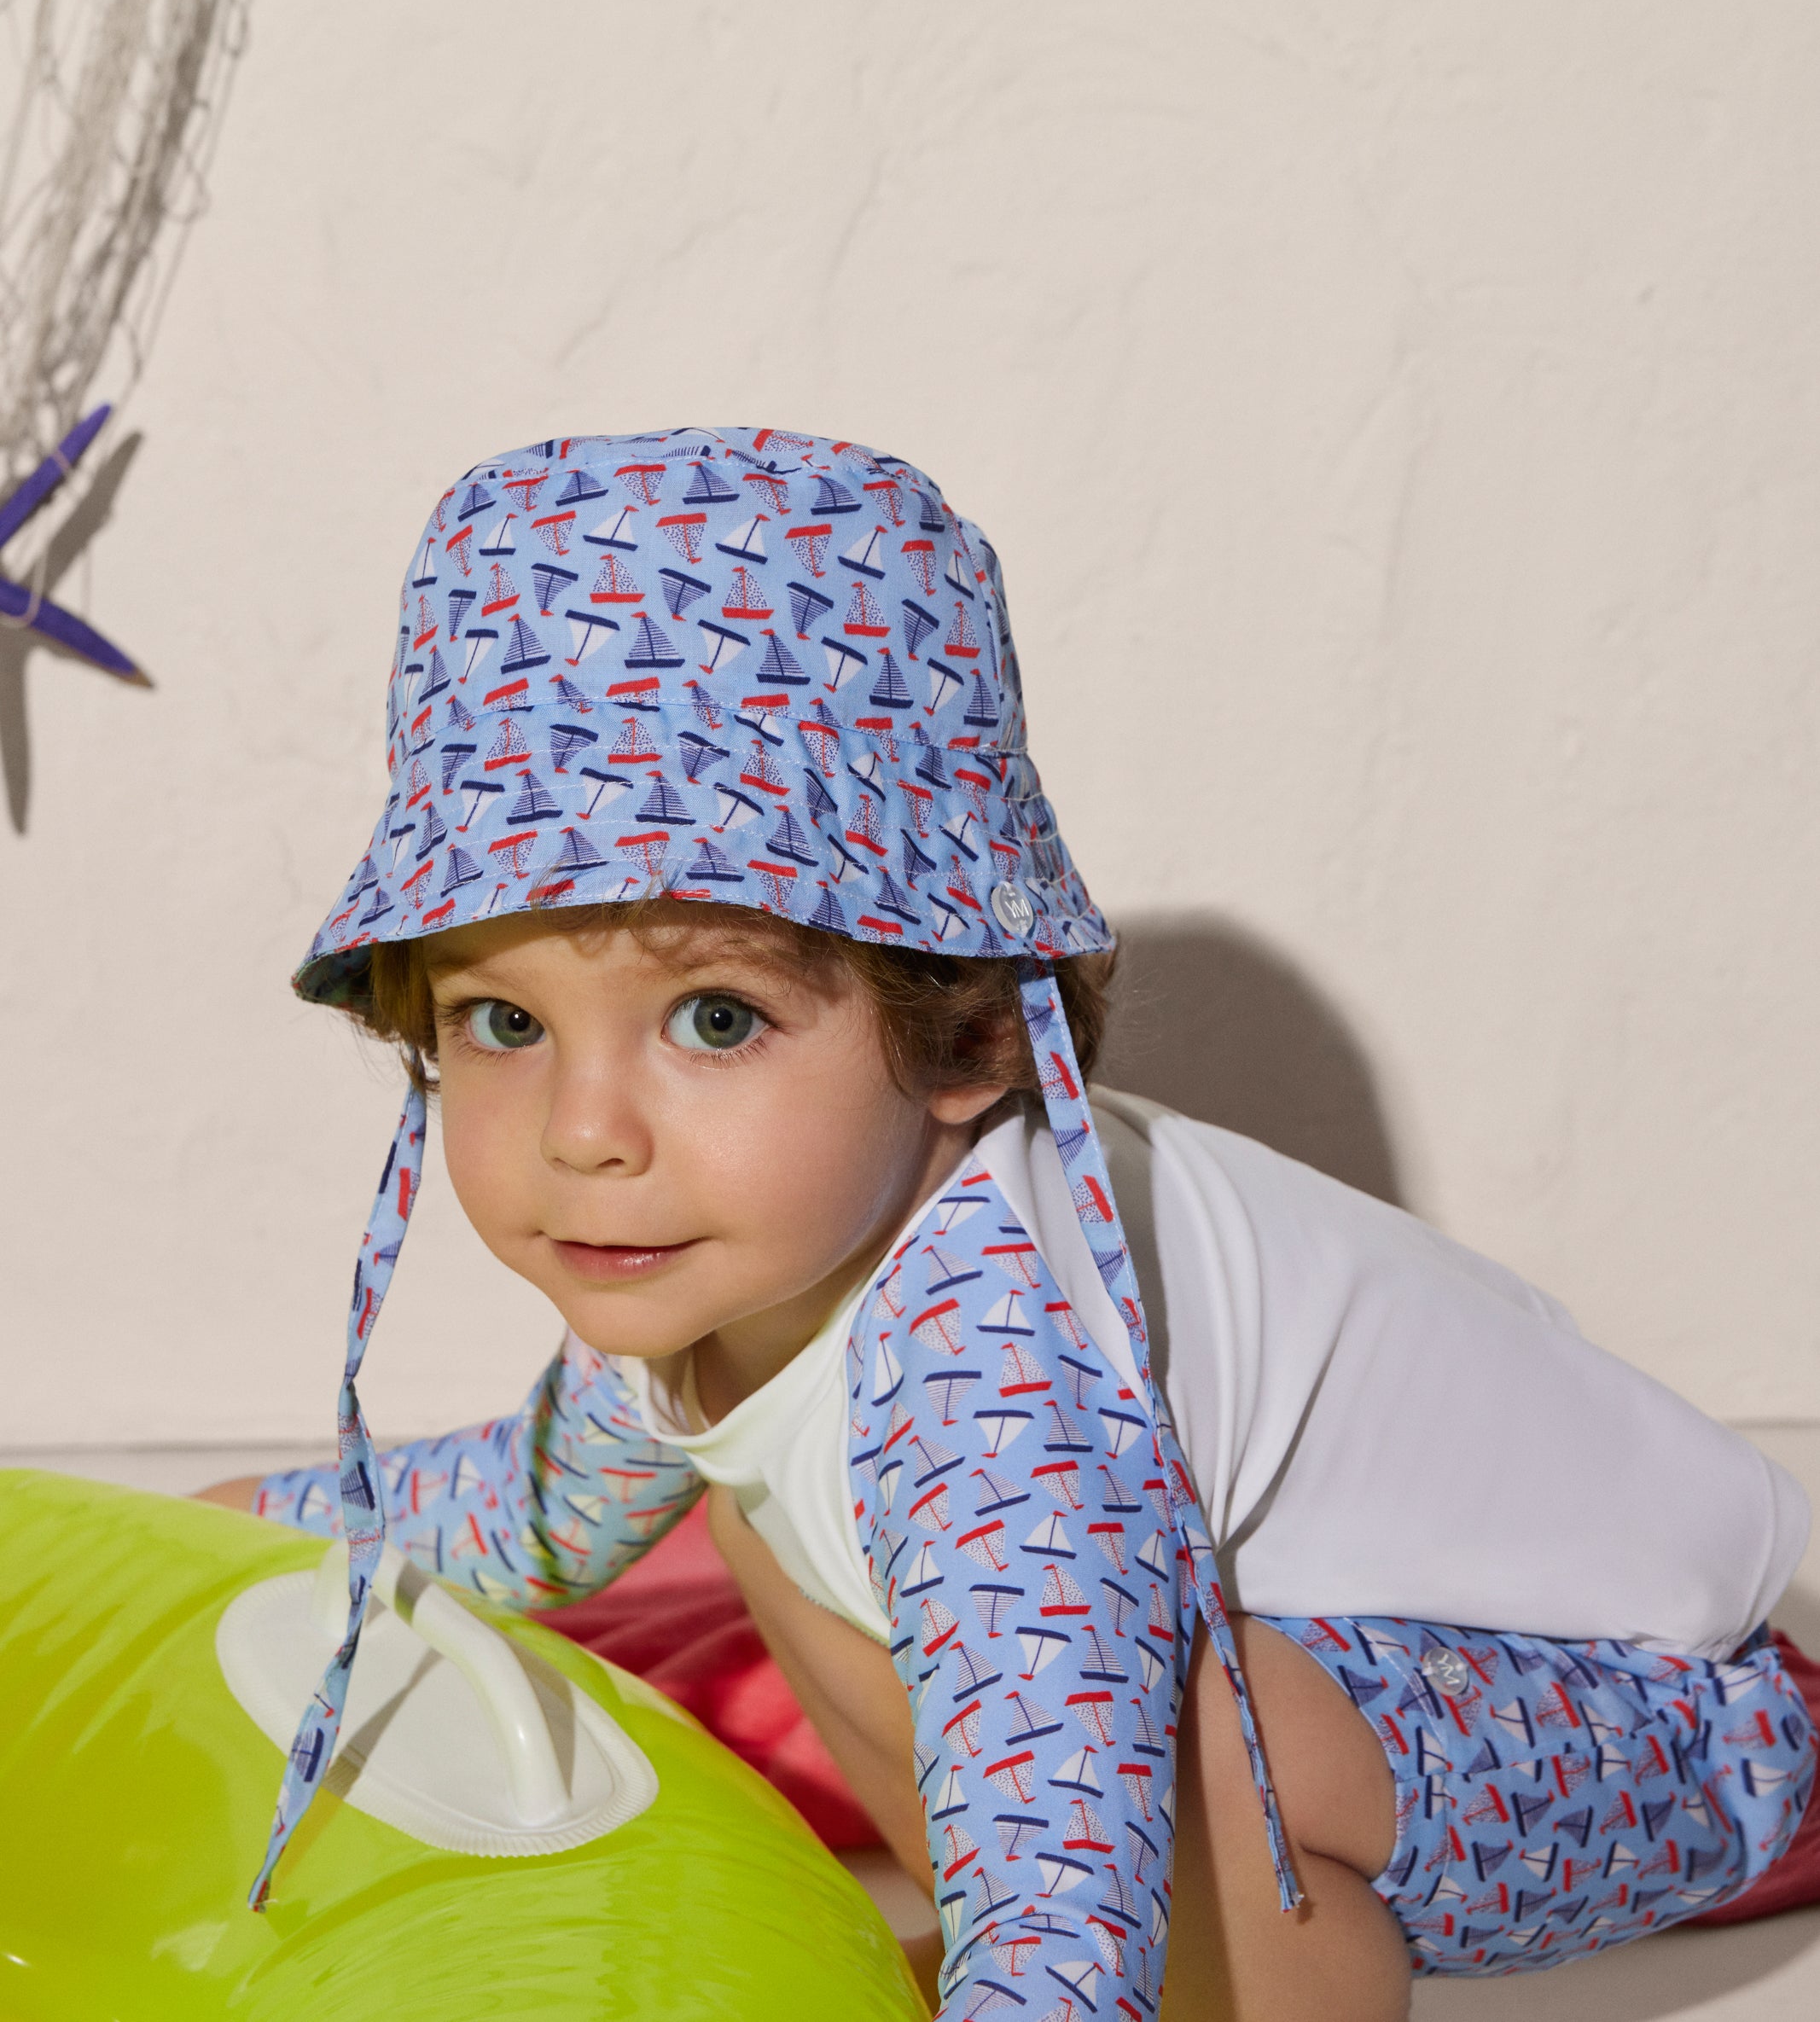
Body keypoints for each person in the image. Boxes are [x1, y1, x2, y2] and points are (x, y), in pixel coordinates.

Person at [203, 426, 1813, 2019]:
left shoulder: (993, 1379)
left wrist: (1047, 1964)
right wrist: (215, 1523)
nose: (582, 1131)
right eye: (502, 1022)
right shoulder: (726, 1265)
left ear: (969, 1033)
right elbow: (528, 1512)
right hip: (1339, 1676)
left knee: (1158, 1711)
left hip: (1660, 1726)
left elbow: (1060, 1849)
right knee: (763, 1509)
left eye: (711, 1018)